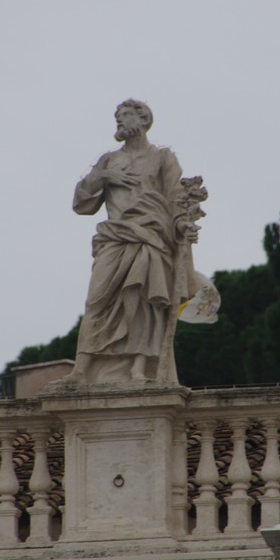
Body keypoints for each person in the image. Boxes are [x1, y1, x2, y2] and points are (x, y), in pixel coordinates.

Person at [71, 99, 202, 385]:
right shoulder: (109, 160)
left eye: (126, 114)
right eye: (117, 116)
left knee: (142, 305)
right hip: (114, 238)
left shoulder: (162, 158)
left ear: (144, 120)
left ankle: (139, 369)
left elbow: (175, 199)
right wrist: (103, 176)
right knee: (97, 301)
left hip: (150, 239)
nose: (119, 120)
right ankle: (80, 370)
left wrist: (182, 225)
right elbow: (81, 203)